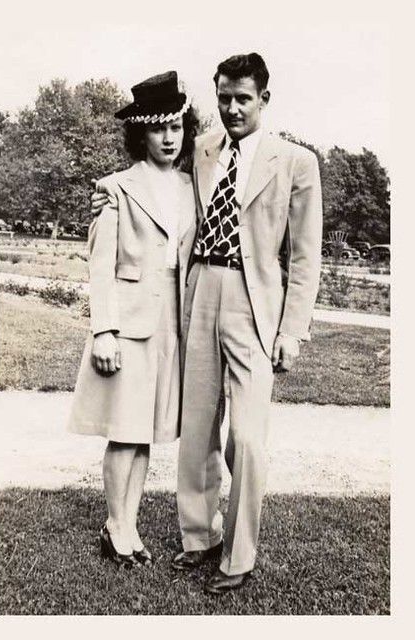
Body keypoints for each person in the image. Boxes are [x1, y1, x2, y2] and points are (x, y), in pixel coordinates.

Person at [92, 52, 322, 593]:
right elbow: (150, 174)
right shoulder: (202, 149)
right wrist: (107, 189)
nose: (233, 108)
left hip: (254, 301)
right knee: (197, 431)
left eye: (243, 98)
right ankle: (200, 538)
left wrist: (292, 330)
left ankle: (238, 557)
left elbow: (306, 257)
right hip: (198, 291)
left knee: (246, 435)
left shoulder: (296, 162)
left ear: (264, 100)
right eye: (224, 98)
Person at [68, 70, 198, 568]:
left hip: (172, 324)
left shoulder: (194, 186)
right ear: (140, 134)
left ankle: (126, 524)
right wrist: (104, 329)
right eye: (158, 129)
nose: (169, 138)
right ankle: (116, 526)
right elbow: (99, 266)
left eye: (177, 128)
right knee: (123, 429)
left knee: (144, 431)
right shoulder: (116, 188)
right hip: (127, 323)